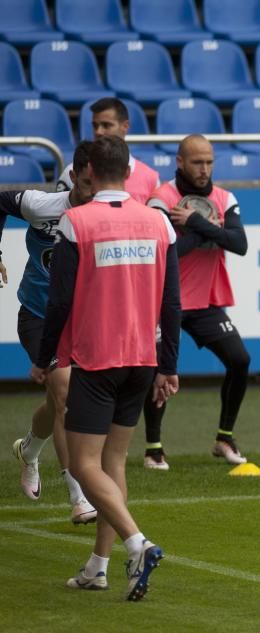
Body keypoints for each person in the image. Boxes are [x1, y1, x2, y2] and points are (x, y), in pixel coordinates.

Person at [31, 135, 180, 599]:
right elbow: (172, 303)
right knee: (113, 462)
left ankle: (137, 542)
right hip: (143, 358)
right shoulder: (159, 223)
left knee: (82, 462)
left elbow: (58, 301)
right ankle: (98, 565)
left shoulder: (76, 222)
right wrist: (168, 366)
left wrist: (45, 356)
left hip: (97, 360)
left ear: (88, 170)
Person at [3, 142, 98, 524]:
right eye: (87, 183)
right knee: (63, 391)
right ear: (73, 177)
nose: (94, 191)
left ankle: (28, 450)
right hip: (40, 316)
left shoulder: (108, 218)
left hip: (86, 322)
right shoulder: (43, 206)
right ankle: (79, 496)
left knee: (59, 400)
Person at [144, 135, 251, 468]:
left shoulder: (224, 197)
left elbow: (239, 243)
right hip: (165, 301)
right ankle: (153, 447)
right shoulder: (161, 200)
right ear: (179, 162)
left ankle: (224, 438)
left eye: (209, 162)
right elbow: (167, 254)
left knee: (240, 360)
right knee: (161, 371)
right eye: (196, 162)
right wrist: (208, 231)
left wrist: (195, 223)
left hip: (205, 301)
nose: (204, 169)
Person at [56, 97, 160, 204]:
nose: (98, 132)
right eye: (95, 126)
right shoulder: (75, 171)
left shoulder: (150, 178)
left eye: (106, 125)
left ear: (125, 126)